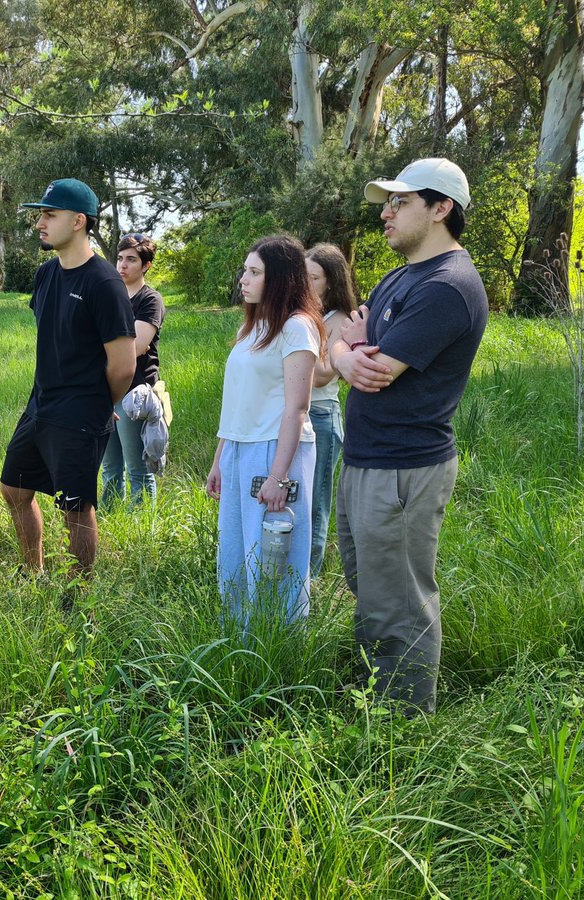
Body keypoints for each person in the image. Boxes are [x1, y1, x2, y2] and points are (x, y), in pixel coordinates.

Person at [331, 158, 488, 714]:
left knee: (399, 604)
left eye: (401, 202)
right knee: (372, 587)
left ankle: (403, 732)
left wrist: (348, 353)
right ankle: (380, 695)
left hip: (403, 467)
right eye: (386, 202)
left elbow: (374, 371)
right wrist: (344, 350)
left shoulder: (448, 286)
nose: (387, 213)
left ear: (442, 208)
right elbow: (348, 339)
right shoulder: (401, 275)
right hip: (367, 459)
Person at [0, 178, 136, 575]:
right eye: (40, 214)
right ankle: (33, 574)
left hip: (79, 413)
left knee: (75, 509)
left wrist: (99, 405)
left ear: (78, 221)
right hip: (40, 404)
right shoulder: (46, 276)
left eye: (49, 215)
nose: (40, 223)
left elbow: (124, 364)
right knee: (14, 489)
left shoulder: (105, 283)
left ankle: (80, 594)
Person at [205, 234, 324, 628]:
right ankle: (240, 641)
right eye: (245, 270)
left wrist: (278, 474)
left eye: (255, 272)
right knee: (236, 550)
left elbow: (297, 407)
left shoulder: (296, 328)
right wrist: (220, 459)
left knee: (276, 556)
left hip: (276, 451)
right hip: (239, 448)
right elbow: (236, 400)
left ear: (280, 279)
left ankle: (284, 648)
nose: (244, 279)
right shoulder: (252, 328)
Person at [101, 233, 165, 508]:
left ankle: (141, 528)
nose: (123, 265)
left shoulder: (150, 300)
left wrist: (95, 349)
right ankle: (109, 517)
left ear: (146, 265)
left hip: (134, 393)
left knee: (137, 468)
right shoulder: (109, 295)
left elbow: (136, 347)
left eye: (131, 259)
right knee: (109, 466)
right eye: (120, 258)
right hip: (104, 388)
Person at [305, 243, 358, 573]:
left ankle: (309, 574)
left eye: (313, 277)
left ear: (331, 281)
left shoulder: (341, 319)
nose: (305, 282)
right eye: (303, 275)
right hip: (291, 413)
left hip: (321, 417)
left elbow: (325, 374)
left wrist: (288, 363)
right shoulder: (303, 314)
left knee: (316, 500)